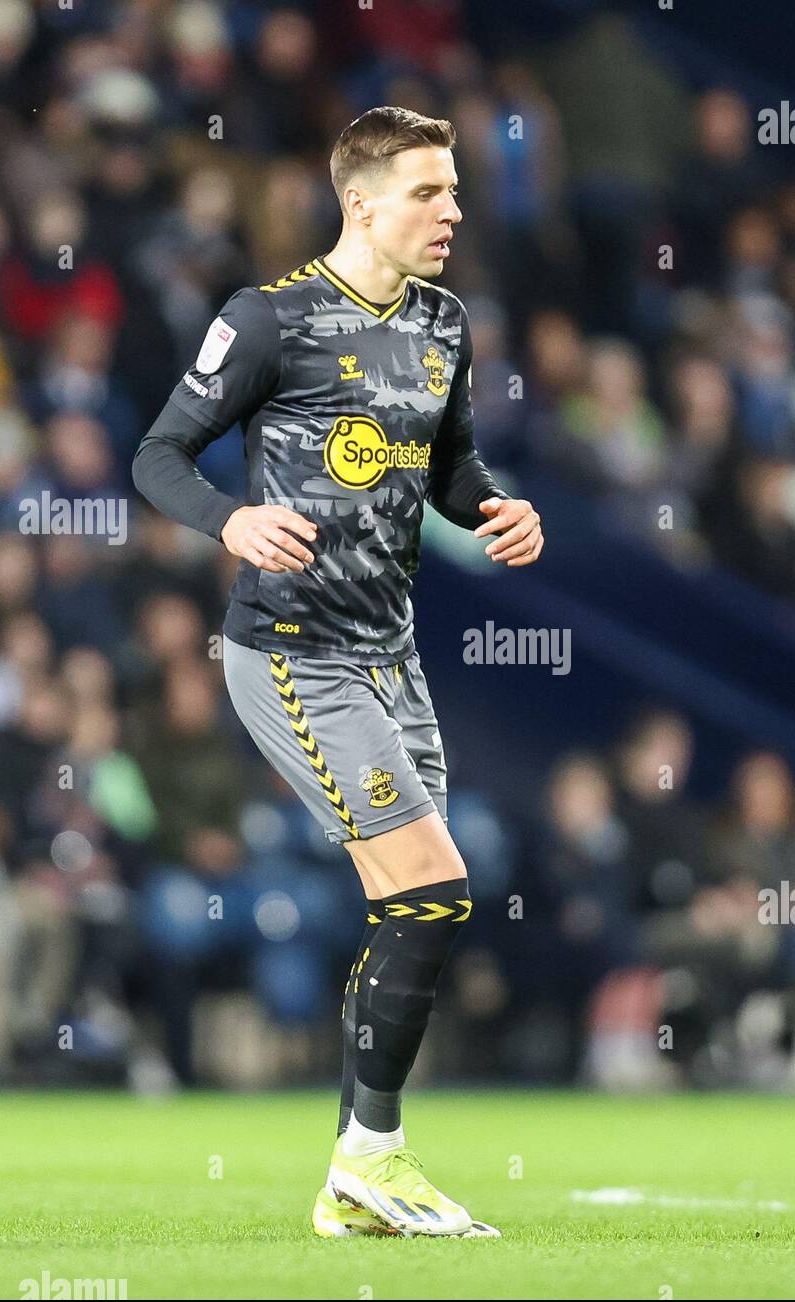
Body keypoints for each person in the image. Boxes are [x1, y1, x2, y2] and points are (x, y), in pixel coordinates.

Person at [132, 107, 545, 1239]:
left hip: (392, 655)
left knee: (415, 901)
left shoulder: (447, 322)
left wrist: (497, 506)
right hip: (291, 650)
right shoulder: (270, 319)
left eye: (455, 190)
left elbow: (448, 461)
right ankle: (372, 1158)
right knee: (433, 884)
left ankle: (356, 1177)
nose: (453, 210)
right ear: (359, 201)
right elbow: (158, 452)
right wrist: (229, 523)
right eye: (428, 191)